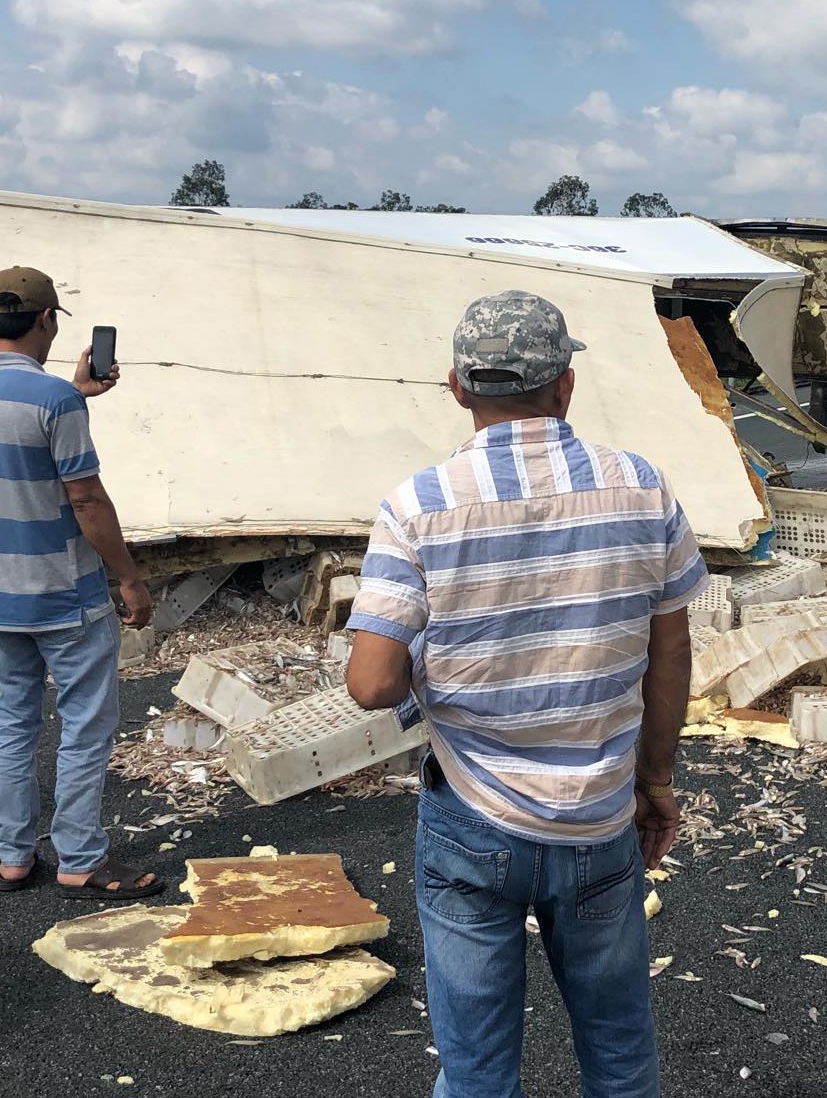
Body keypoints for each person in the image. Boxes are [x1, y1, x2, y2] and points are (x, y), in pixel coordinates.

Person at [345, 290, 705, 1098]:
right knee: (618, 1054)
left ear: (458, 387)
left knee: (477, 1071)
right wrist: (656, 782)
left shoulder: (418, 506)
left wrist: (433, 667)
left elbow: (371, 683)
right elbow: (670, 647)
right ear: (566, 384)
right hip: (601, 814)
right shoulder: (642, 489)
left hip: (471, 815)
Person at [0, 267, 159, 900]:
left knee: (13, 721)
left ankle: (13, 856)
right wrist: (130, 581)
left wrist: (74, 393)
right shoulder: (53, 403)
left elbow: (16, 436)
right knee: (85, 725)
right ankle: (80, 859)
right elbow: (86, 499)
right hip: (63, 591)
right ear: (46, 321)